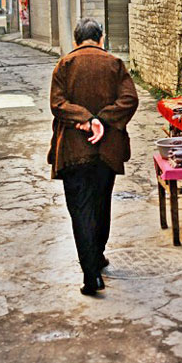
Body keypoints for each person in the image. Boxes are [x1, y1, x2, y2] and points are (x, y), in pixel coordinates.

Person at [48, 18, 139, 297]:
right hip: (106, 152)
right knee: (100, 205)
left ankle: (91, 275)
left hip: (74, 152)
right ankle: (97, 257)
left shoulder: (64, 65)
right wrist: (100, 120)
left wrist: (85, 120)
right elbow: (129, 99)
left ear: (76, 41)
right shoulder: (114, 64)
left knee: (80, 211)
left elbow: (58, 104)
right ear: (101, 38)